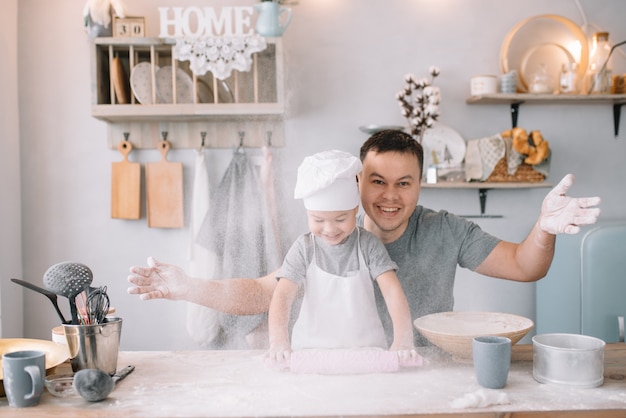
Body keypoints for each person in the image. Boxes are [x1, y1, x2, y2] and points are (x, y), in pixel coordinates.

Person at [128, 130, 601, 346]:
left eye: (404, 183)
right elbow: (260, 292)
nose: (390, 196)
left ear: (420, 184)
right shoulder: (327, 236)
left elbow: (526, 266)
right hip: (341, 380)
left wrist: (543, 228)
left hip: (426, 376)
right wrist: (188, 286)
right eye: (378, 181)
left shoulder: (446, 230)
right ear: (356, 183)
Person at [266, 150, 415, 367]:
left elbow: (392, 292)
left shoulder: (368, 245)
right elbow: (282, 298)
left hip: (367, 354)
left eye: (340, 219)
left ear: (355, 209)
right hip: (310, 355)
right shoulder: (304, 248)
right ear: (307, 213)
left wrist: (403, 339)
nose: (329, 229)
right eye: (318, 219)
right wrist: (278, 341)